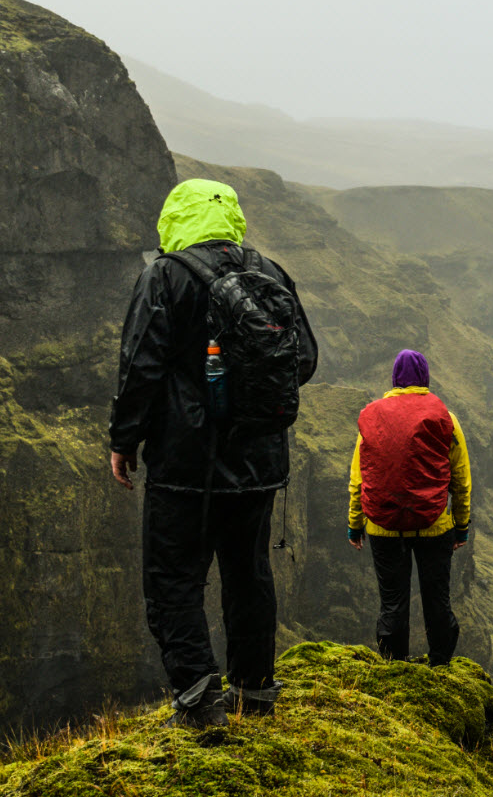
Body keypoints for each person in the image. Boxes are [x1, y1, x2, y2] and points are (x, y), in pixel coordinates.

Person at [109, 178, 318, 728]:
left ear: (175, 218)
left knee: (174, 579)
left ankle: (200, 701)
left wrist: (123, 440)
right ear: (232, 217)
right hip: (258, 464)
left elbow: (140, 368)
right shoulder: (269, 273)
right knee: (249, 575)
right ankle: (255, 695)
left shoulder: (164, 275)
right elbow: (305, 362)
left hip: (185, 466)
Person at [347, 349, 471, 666]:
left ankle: (394, 664)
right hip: (434, 526)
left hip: (384, 527)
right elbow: (460, 478)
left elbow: (359, 478)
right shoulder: (446, 418)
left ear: (394, 379)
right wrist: (461, 525)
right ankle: (441, 663)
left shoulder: (373, 417)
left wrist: (355, 524)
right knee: (436, 599)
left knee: (392, 601)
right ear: (425, 377)